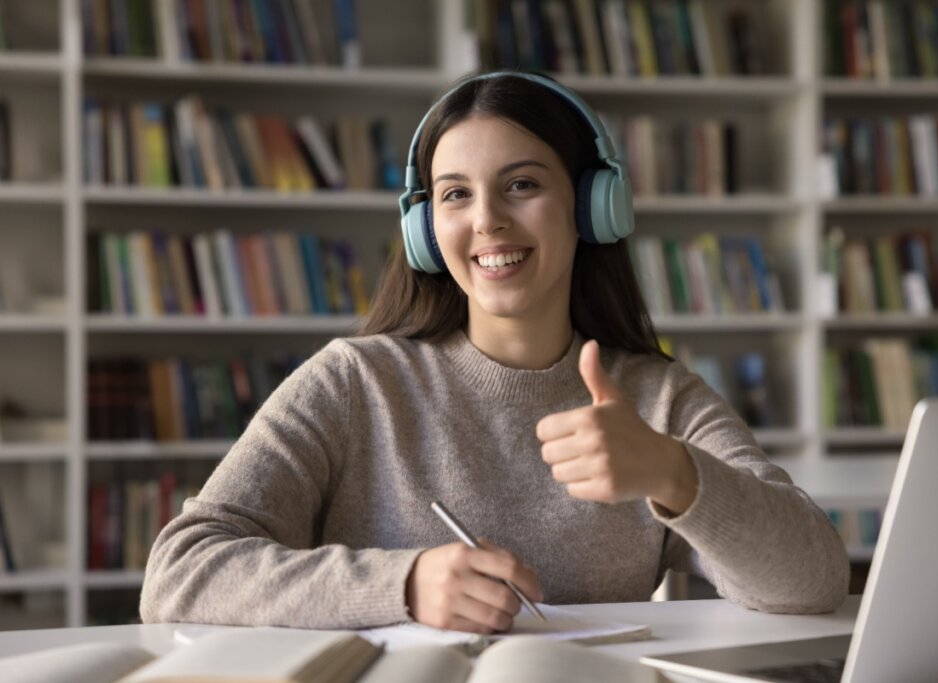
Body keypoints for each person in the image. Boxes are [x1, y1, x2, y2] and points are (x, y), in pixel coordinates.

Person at [140, 71, 849, 633]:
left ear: (593, 205)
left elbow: (814, 580)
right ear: (425, 230)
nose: (487, 220)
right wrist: (404, 584)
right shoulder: (356, 382)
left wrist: (675, 473)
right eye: (455, 195)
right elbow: (179, 572)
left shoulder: (659, 400)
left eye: (522, 184)